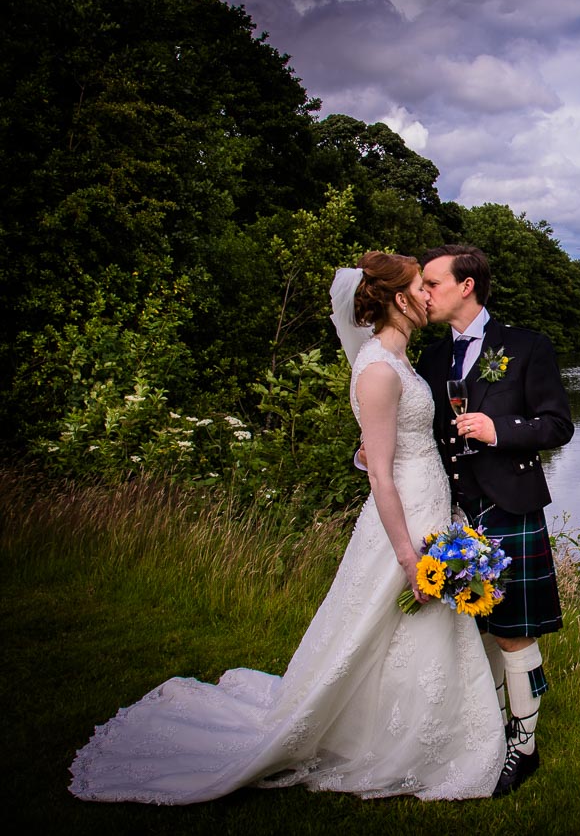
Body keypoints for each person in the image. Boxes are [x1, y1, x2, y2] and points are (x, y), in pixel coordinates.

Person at [68, 252, 505, 804]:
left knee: (408, 629)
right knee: (384, 622)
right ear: (399, 298)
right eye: (421, 286)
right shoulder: (378, 369)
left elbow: (380, 449)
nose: (427, 295)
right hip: (403, 519)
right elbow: (380, 475)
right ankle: (389, 737)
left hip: (429, 504)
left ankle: (417, 728)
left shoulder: (401, 361)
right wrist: (406, 555)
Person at [415, 244, 574, 797]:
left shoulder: (527, 346)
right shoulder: (432, 357)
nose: (423, 294)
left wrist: (499, 429)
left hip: (510, 504)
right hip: (452, 509)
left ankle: (523, 747)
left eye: (432, 283)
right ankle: (487, 727)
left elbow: (558, 425)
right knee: (472, 623)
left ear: (466, 286)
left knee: (514, 631)